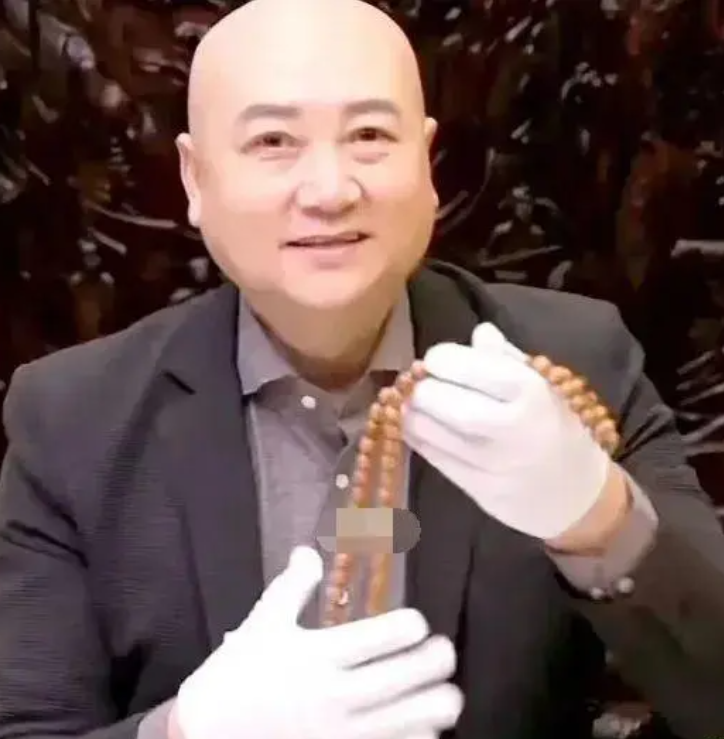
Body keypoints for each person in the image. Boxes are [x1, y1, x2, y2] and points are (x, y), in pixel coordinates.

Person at [3, 0, 724, 738]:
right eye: (273, 141)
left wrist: (598, 516)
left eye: (370, 136)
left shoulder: (577, 360)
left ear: (427, 162)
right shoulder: (71, 421)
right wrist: (188, 730)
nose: (330, 191)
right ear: (195, 178)